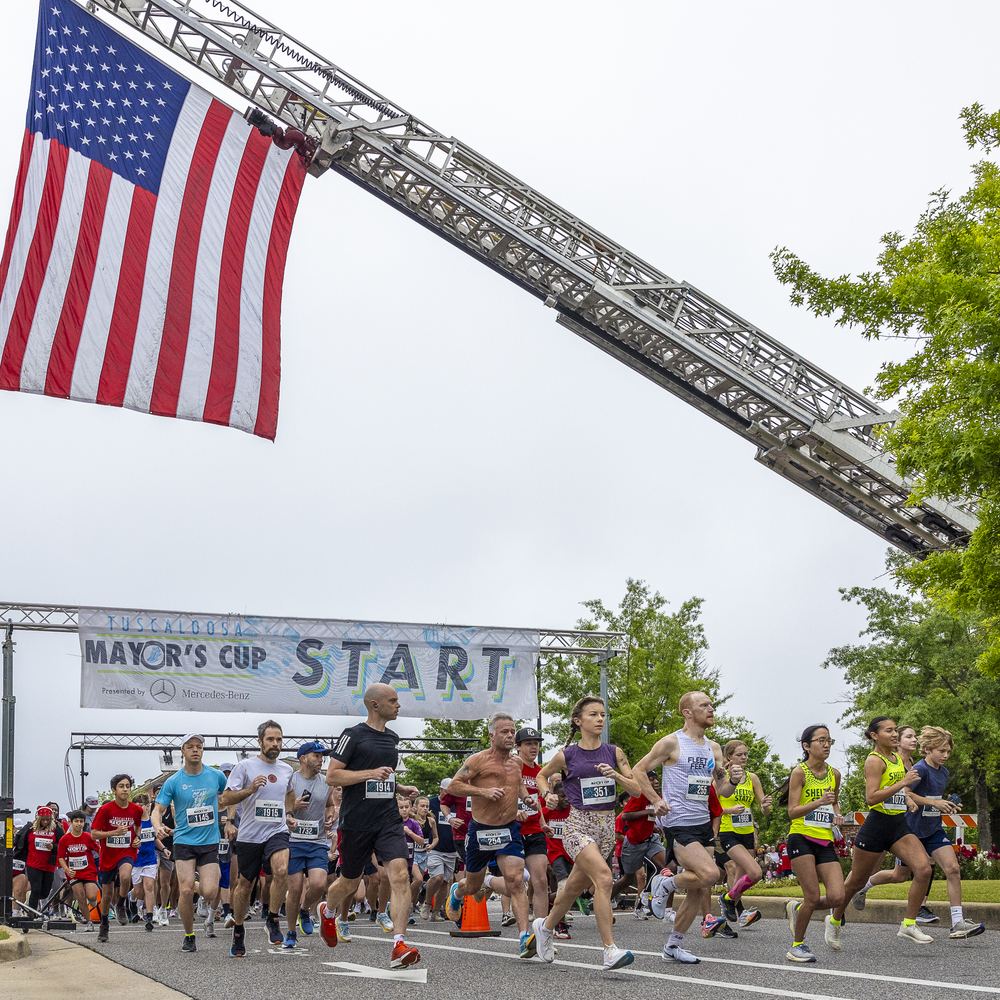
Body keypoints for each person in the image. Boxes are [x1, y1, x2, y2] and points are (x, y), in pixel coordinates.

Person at [529, 695, 639, 972]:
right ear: (578, 721)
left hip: (605, 829)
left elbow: (636, 789)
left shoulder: (615, 753)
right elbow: (543, 775)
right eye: (593, 714)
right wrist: (547, 795)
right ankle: (609, 950)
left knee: (574, 887)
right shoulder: (568, 755)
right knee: (603, 878)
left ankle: (545, 926)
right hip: (578, 826)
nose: (600, 719)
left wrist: (616, 776)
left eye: (603, 714)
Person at [317, 683, 421, 969]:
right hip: (356, 821)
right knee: (349, 882)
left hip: (386, 818)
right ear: (374, 705)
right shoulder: (352, 735)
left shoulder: (392, 738)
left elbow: (383, 778)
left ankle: (399, 944)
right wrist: (369, 774)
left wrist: (400, 788)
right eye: (393, 700)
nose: (398, 705)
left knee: (399, 876)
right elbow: (333, 777)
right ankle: (327, 910)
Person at [637, 690, 741, 964]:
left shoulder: (714, 748)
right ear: (687, 712)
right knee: (710, 875)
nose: (711, 709)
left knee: (697, 889)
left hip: (703, 823)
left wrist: (735, 780)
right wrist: (656, 799)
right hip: (679, 822)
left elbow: (723, 789)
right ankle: (664, 883)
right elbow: (639, 769)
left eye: (711, 705)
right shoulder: (672, 743)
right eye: (704, 705)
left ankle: (673, 946)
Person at [854, 726, 984, 940]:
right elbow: (907, 792)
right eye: (942, 751)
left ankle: (957, 922)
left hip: (933, 829)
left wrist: (947, 804)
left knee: (952, 868)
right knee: (899, 876)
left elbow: (935, 798)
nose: (946, 755)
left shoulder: (944, 772)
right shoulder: (920, 769)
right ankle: (864, 886)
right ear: (928, 749)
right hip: (911, 832)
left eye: (948, 752)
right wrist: (934, 802)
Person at [827, 717, 934, 946]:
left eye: (896, 730)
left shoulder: (896, 758)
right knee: (856, 881)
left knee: (924, 868)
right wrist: (902, 784)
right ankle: (834, 921)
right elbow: (872, 797)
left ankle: (908, 924)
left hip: (897, 825)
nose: (895, 734)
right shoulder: (874, 761)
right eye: (889, 731)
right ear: (875, 735)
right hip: (876, 826)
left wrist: (906, 796)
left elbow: (896, 788)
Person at [443, 713, 536, 958]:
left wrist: (525, 799)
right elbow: (454, 785)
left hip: (509, 828)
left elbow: (517, 786)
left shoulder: (517, 763)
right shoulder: (477, 760)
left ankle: (525, 938)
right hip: (481, 829)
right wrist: (482, 791)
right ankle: (457, 892)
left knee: (516, 881)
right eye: (504, 732)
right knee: (473, 886)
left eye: (512, 731)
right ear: (491, 735)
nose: (509, 736)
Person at [220, 721, 294, 957]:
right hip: (250, 835)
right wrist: (250, 790)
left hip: (277, 830)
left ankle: (272, 918)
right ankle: (239, 930)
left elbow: (290, 792)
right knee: (245, 885)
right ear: (260, 741)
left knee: (281, 871)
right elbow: (226, 798)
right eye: (270, 739)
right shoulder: (245, 767)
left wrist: (289, 813)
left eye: (279, 740)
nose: (275, 744)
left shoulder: (286, 770)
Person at [153, 735, 228, 952]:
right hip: (184, 841)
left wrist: (230, 819)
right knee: (185, 891)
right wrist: (157, 826)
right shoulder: (174, 781)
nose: (195, 750)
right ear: (183, 752)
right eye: (190, 747)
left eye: (199, 747)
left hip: (210, 841)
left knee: (210, 892)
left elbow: (229, 797)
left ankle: (200, 886)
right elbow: (157, 810)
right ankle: (189, 934)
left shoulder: (216, 776)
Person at [778, 724, 845, 963]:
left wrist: (837, 814)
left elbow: (834, 803)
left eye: (829, 740)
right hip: (801, 837)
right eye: (821, 740)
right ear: (807, 746)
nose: (826, 744)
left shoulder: (834, 774)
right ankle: (797, 945)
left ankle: (798, 910)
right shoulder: (800, 773)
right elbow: (793, 811)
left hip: (824, 839)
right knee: (814, 897)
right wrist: (819, 802)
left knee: (838, 897)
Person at [284, 741, 337, 948]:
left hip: (316, 840)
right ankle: (290, 931)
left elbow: (330, 804)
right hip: (293, 840)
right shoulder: (290, 781)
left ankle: (304, 910)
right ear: (303, 758)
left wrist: (330, 817)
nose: (321, 760)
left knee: (318, 884)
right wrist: (292, 806)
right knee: (295, 888)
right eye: (316, 756)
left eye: (322, 756)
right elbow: (280, 806)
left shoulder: (326, 782)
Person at [716, 740, 771, 928]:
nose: (744, 757)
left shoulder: (752, 778)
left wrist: (765, 806)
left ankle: (736, 913)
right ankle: (726, 899)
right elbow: (710, 807)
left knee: (739, 880)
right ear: (729, 757)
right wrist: (729, 811)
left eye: (746, 754)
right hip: (728, 832)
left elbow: (764, 809)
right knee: (755, 873)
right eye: (740, 754)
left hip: (747, 832)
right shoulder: (721, 777)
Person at [91, 774, 142, 942]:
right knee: (106, 894)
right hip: (108, 854)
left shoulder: (136, 809)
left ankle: (121, 904)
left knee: (126, 876)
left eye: (127, 786)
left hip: (127, 851)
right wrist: (114, 832)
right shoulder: (105, 810)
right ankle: (104, 923)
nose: (125, 789)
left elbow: (138, 826)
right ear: (113, 790)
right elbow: (94, 834)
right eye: (121, 786)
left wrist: (137, 838)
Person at [613, 772, 667, 921]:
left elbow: (648, 819)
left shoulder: (658, 798)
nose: (655, 782)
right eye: (651, 780)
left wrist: (654, 826)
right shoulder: (640, 796)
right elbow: (625, 816)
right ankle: (604, 901)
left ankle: (644, 902)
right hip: (634, 842)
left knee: (665, 867)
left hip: (650, 840)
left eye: (656, 779)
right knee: (628, 880)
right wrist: (648, 812)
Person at [512, 727, 551, 923]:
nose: (533, 747)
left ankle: (541, 929)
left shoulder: (540, 773)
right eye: (528, 743)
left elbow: (538, 803)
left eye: (536, 743)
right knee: (516, 881)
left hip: (535, 830)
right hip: (513, 830)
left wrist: (543, 823)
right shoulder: (510, 767)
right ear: (517, 747)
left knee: (541, 881)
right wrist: (513, 811)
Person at [57, 810, 99, 930]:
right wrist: (66, 869)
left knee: (91, 896)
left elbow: (99, 849)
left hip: (88, 871)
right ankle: (89, 921)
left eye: (81, 821)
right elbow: (61, 857)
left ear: (84, 823)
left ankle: (93, 903)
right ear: (71, 822)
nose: (78, 824)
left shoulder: (88, 837)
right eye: (76, 821)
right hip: (74, 873)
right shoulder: (64, 840)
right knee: (80, 896)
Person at [425, 778, 458, 922]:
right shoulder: (431, 803)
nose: (450, 794)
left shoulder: (457, 804)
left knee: (445, 881)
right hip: (434, 847)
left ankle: (437, 911)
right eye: (447, 791)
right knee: (437, 877)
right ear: (441, 790)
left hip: (452, 848)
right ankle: (426, 904)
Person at [25, 806, 61, 914]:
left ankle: (31, 897)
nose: (45, 822)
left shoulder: (57, 829)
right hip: (33, 863)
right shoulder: (30, 828)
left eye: (47, 819)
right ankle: (31, 914)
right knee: (35, 889)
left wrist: (53, 847)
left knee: (45, 892)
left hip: (48, 864)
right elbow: (20, 840)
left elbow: (63, 845)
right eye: (43, 819)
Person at [131, 794, 159, 932]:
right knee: (139, 891)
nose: (138, 808)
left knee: (149, 886)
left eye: (140, 805)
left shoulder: (152, 822)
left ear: (147, 806)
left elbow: (155, 838)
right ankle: (132, 900)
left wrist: (164, 848)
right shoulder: (133, 824)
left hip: (150, 859)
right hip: (136, 861)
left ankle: (149, 916)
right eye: (135, 805)